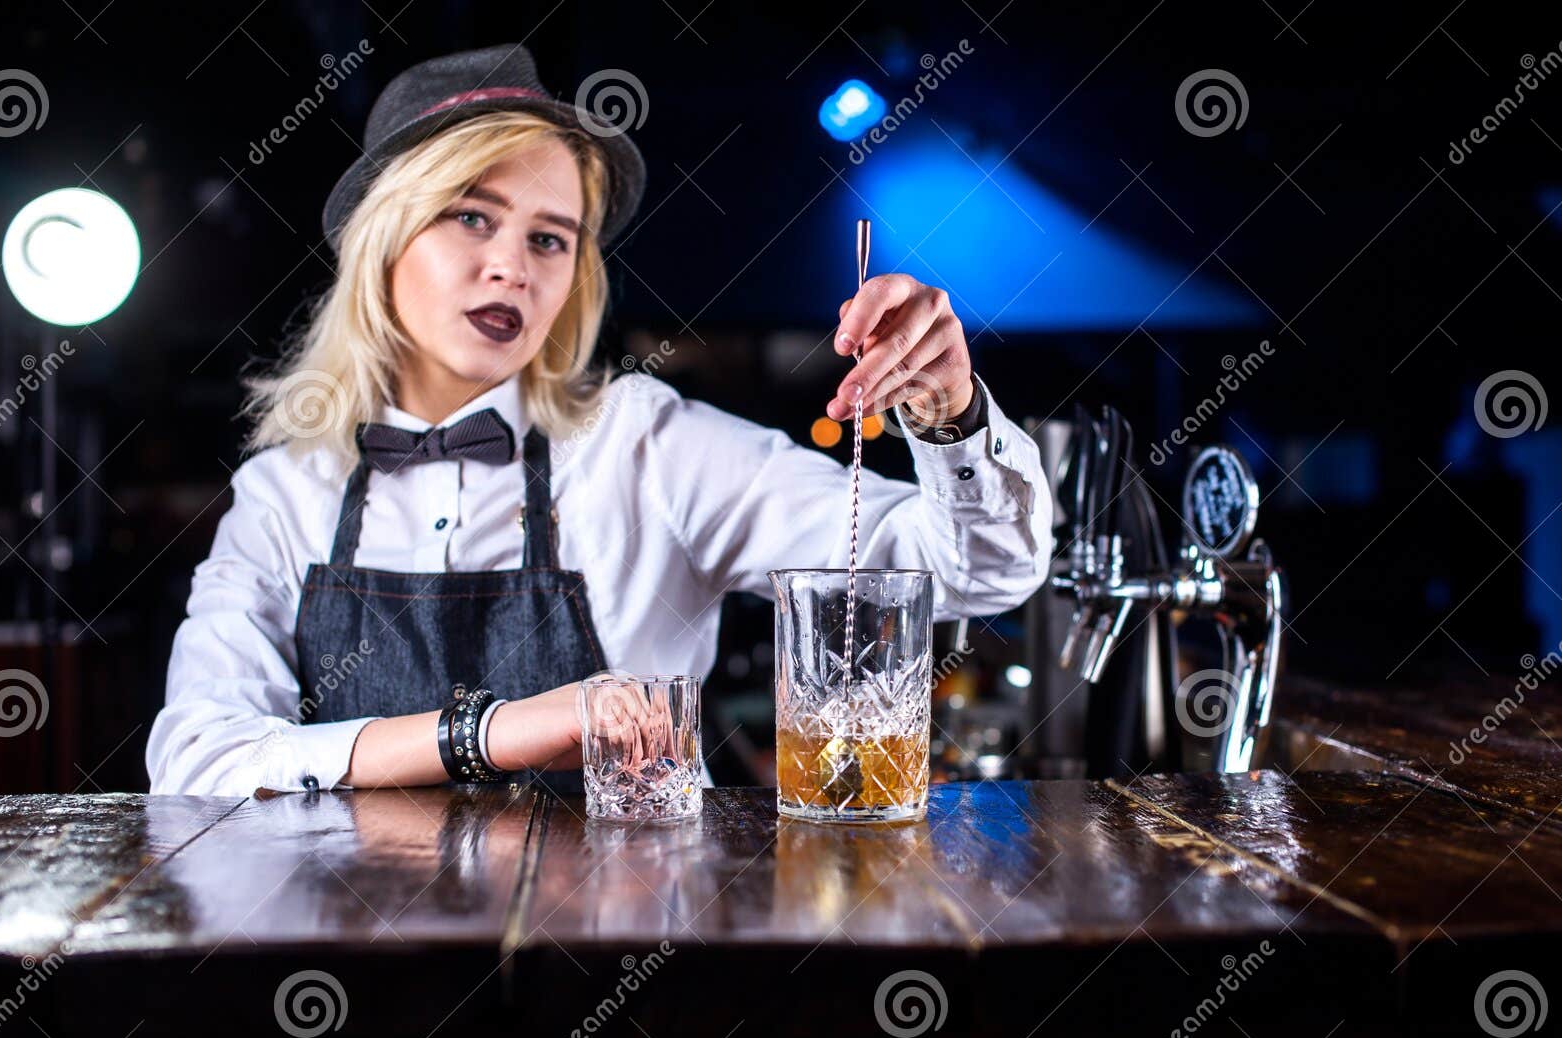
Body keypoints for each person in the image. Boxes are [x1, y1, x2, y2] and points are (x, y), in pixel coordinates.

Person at [146, 43, 1053, 797]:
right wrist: (506, 729)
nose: (514, 268)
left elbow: (972, 573)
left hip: (626, 974)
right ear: (384, 240)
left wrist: (952, 415)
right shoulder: (284, 493)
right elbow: (195, 759)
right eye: (471, 217)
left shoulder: (644, 447)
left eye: (550, 237)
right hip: (361, 975)